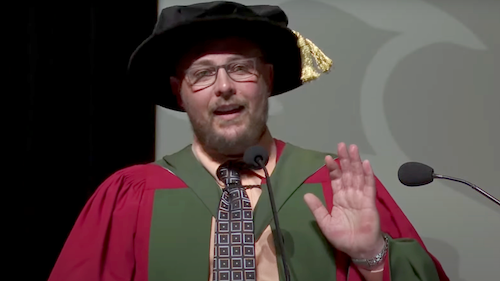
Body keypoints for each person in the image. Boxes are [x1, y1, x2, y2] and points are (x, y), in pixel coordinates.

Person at [48, 1, 449, 281]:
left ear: (268, 81)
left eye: (241, 68)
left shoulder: (335, 184)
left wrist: (370, 256)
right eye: (202, 74)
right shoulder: (128, 197)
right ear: (178, 92)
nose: (223, 87)